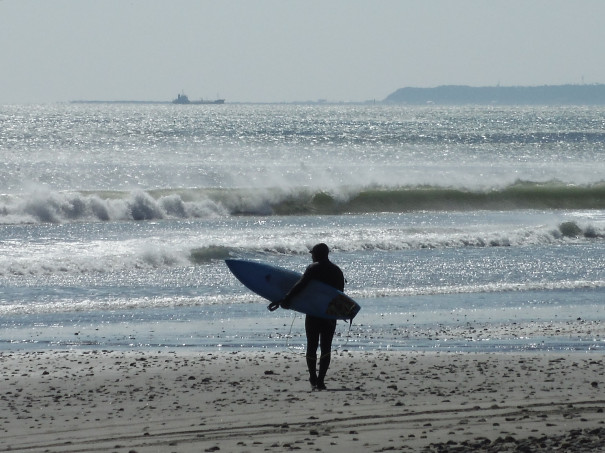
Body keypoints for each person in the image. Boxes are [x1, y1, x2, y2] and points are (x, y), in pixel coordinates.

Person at [267, 243, 345, 390]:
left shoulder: (313, 268)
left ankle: (313, 377)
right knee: (326, 347)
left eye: (312, 254)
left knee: (312, 346)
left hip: (314, 312)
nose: (311, 256)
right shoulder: (337, 271)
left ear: (317, 254)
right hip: (329, 313)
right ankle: (321, 380)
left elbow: (301, 285)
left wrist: (287, 299)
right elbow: (340, 294)